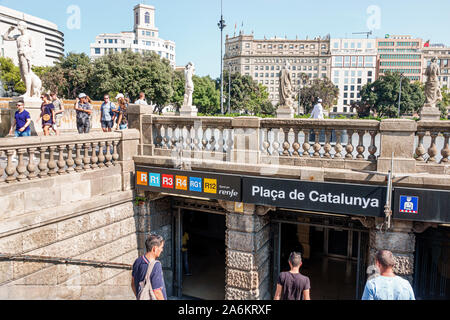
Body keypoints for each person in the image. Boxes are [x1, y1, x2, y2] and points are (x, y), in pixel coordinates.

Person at [131, 234, 167, 300]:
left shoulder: (137, 261)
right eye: (161, 247)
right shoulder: (156, 265)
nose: (162, 250)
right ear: (155, 248)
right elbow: (157, 292)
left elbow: (133, 283)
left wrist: (140, 297)